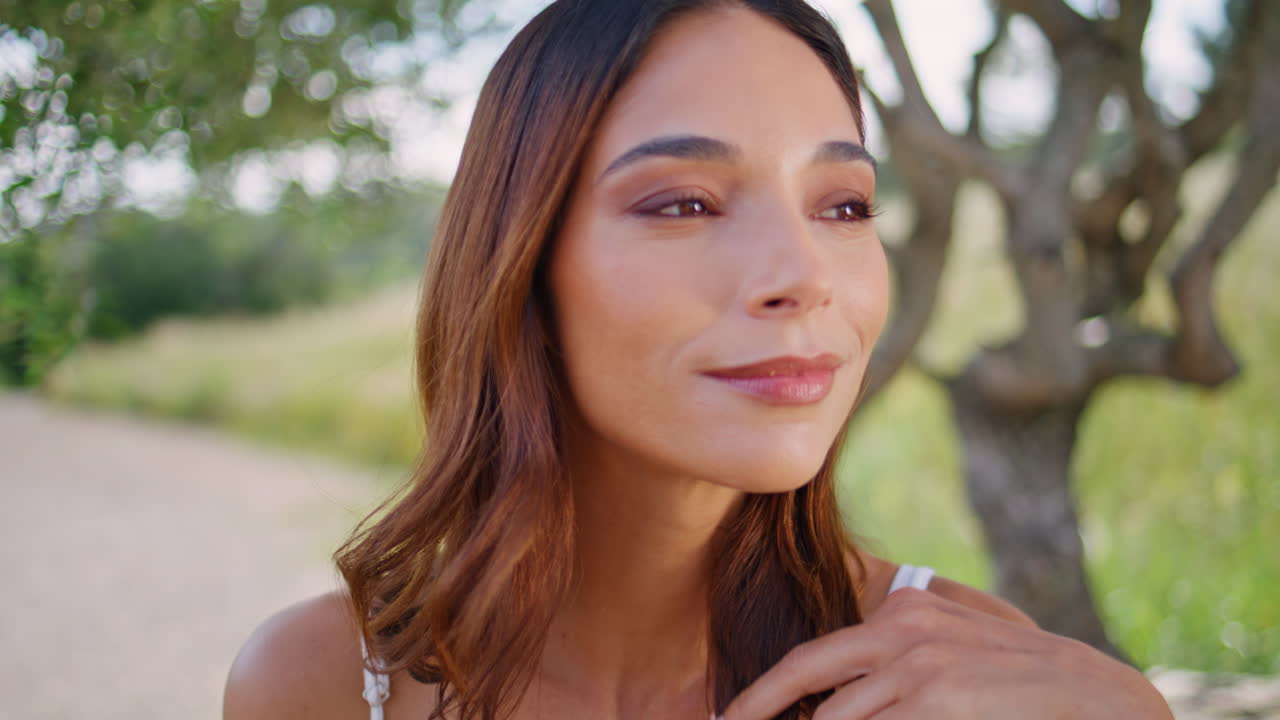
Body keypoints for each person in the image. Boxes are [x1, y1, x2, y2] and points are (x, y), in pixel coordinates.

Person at [223, 1, 1175, 718]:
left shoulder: (969, 685)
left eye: (844, 205)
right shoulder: (321, 685)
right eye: (685, 203)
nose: (803, 275)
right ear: (523, 267)